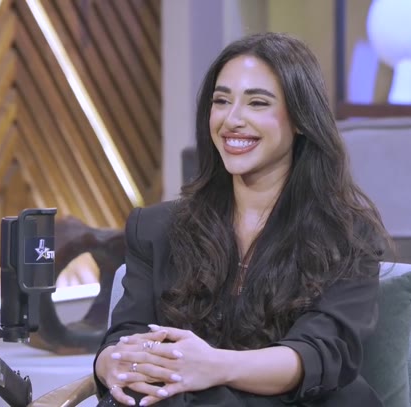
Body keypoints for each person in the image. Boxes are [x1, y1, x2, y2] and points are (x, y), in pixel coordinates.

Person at [93, 32, 390, 407]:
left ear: (301, 119)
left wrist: (213, 366)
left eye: (257, 103)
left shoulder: (347, 235)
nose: (232, 119)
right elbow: (125, 337)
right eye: (221, 101)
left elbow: (321, 353)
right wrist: (111, 364)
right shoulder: (155, 230)